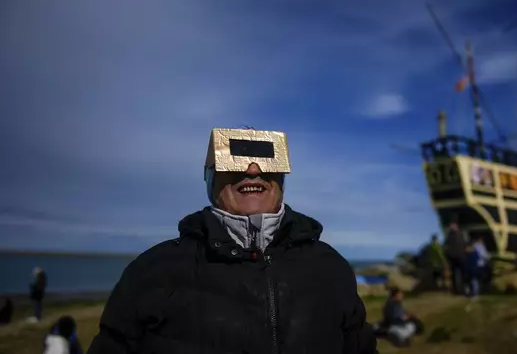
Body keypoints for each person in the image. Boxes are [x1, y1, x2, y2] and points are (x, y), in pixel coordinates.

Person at [87, 128, 377, 354]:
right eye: (235, 158)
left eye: (265, 158)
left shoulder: (330, 267)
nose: (252, 169)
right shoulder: (151, 272)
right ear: (211, 178)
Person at [444, 221, 467, 295]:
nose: (452, 227)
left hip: (460, 256)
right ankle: (456, 289)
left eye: (453, 225)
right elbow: (446, 245)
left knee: (461, 274)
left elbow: (464, 244)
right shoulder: (451, 235)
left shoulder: (460, 234)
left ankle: (461, 289)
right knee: (454, 274)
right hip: (454, 257)